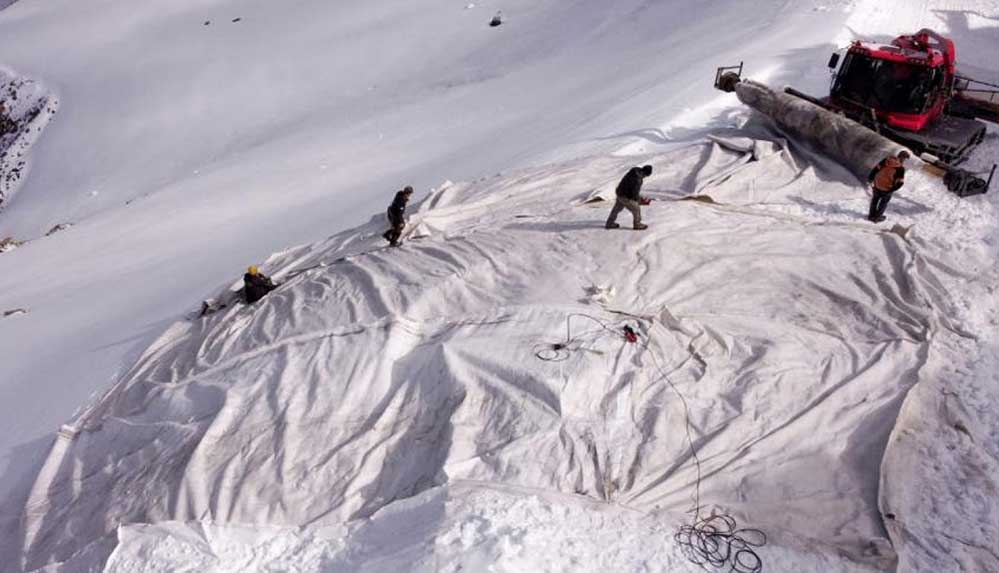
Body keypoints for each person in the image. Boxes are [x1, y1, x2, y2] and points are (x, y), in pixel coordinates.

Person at [867, 150, 909, 222]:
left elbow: (876, 169)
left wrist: (870, 178)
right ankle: (877, 217)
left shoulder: (886, 160)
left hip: (877, 184)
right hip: (887, 188)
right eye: (905, 159)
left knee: (874, 200)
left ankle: (871, 215)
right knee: (883, 203)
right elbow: (900, 182)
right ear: (903, 158)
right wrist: (892, 189)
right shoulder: (901, 169)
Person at [606, 165, 652, 230]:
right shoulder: (637, 179)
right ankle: (637, 225)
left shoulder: (634, 171)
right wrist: (640, 200)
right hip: (625, 196)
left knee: (616, 209)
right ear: (646, 174)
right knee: (636, 209)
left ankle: (609, 223)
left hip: (619, 192)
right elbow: (633, 194)